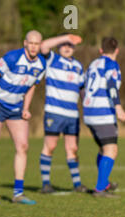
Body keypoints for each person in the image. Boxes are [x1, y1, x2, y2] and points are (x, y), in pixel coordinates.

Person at [0, 30, 46, 205]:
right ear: (25, 43)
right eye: (31, 43)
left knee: (23, 146)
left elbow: (32, 85)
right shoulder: (12, 57)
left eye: (37, 44)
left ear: (40, 45)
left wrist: (26, 108)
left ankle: (18, 193)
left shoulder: (41, 64)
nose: (34, 46)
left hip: (16, 107)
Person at [38, 33, 88, 193]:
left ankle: (77, 184)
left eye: (70, 45)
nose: (67, 47)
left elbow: (82, 89)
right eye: (64, 45)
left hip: (72, 115)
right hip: (54, 112)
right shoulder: (53, 60)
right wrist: (66, 37)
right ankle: (46, 183)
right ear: (59, 46)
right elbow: (43, 46)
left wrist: (87, 104)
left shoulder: (79, 66)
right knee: (50, 146)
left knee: (72, 149)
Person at [83, 37, 125, 197]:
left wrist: (86, 103)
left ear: (101, 50)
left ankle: (104, 183)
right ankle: (100, 188)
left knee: (103, 149)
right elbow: (111, 85)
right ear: (117, 50)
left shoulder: (93, 64)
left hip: (89, 113)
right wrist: (118, 107)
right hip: (103, 113)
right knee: (111, 150)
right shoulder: (111, 65)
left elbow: (84, 85)